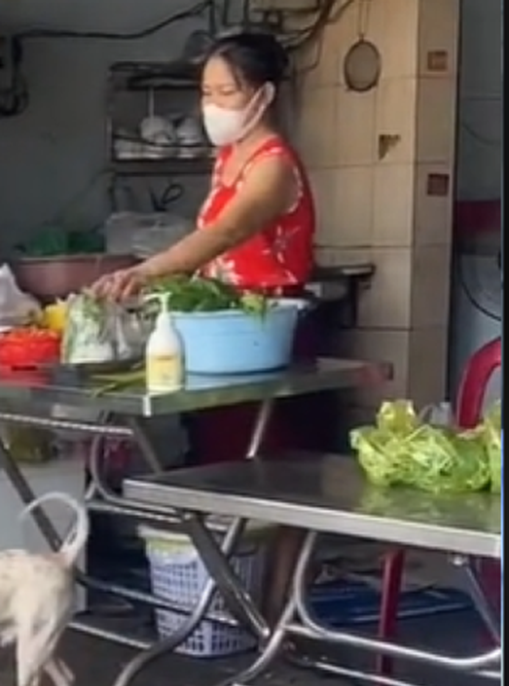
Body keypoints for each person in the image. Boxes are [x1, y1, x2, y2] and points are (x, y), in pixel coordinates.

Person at [93, 30, 316, 621]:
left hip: (268, 331)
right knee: (222, 471)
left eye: (226, 91)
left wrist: (148, 270)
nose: (212, 104)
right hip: (220, 334)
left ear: (263, 95)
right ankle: (231, 608)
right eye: (206, 91)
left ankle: (279, 616)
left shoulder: (274, 168)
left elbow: (222, 236)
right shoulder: (227, 158)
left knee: (281, 478)